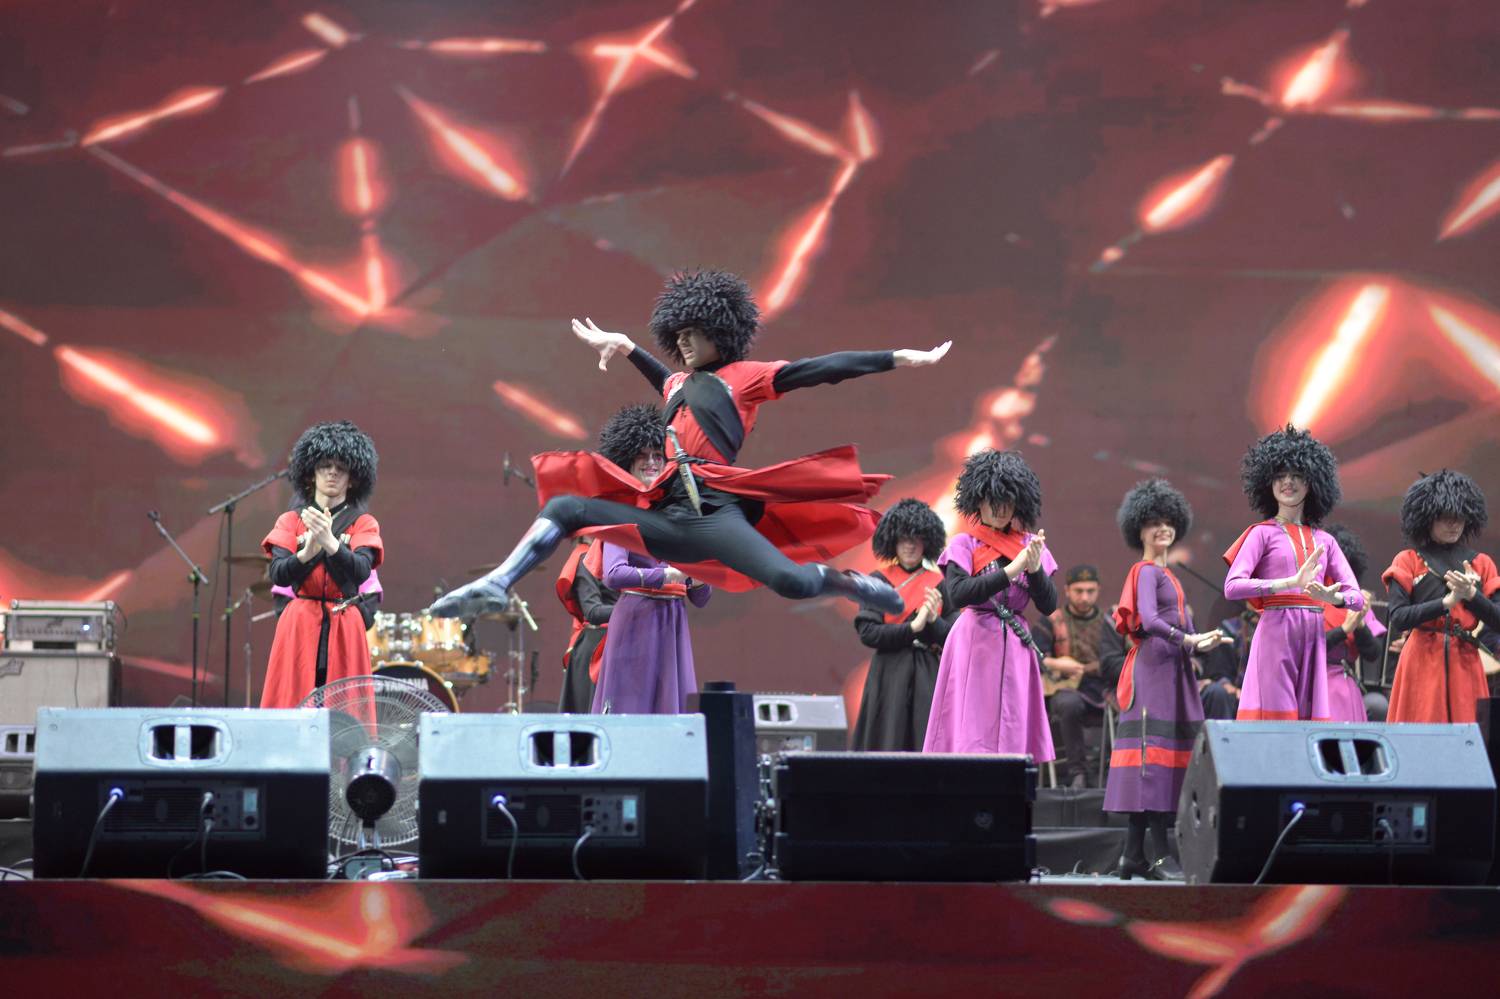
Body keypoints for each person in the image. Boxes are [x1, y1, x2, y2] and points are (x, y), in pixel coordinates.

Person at [430, 270, 950, 621]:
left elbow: (821, 369)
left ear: (720, 332)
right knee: (566, 507)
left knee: (791, 583)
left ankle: (850, 585)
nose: (681, 341)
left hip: (715, 515)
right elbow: (666, 379)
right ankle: (497, 584)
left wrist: (897, 358)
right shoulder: (678, 383)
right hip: (669, 517)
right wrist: (626, 346)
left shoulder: (745, 378)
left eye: (692, 332)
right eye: (676, 334)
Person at [1105, 478, 1221, 880]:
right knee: (1152, 763)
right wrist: (1188, 639)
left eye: (1168, 522)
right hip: (1154, 670)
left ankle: (1131, 857)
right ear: (1138, 530)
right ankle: (1158, 856)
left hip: (1170, 669)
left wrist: (1200, 641)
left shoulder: (1168, 575)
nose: (1163, 529)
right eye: (1154, 522)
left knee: (1160, 761)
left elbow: (1178, 627)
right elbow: (1152, 621)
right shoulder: (1144, 571)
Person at [1222, 425, 1364, 721]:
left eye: (1297, 475)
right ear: (1268, 483)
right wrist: (1288, 583)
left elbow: (1357, 598)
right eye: (1280, 475)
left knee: (1307, 725)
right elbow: (1232, 586)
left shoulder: (1326, 541)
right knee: (1276, 722)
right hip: (1276, 633)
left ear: (1311, 483)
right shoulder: (1261, 534)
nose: (1287, 481)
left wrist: (1333, 598)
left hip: (1313, 636)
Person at [923, 450, 1057, 760]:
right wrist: (1011, 571)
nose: (1000, 509)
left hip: (1016, 646)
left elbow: (1049, 605)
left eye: (1007, 501)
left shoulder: (1029, 545)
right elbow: (959, 594)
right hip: (974, 641)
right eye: (993, 500)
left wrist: (1035, 569)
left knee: (1013, 729)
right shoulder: (964, 543)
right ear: (978, 501)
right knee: (971, 731)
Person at [588, 405, 712, 714]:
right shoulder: (620, 511)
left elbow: (701, 598)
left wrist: (699, 577)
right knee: (632, 711)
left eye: (658, 455)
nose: (652, 462)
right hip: (636, 621)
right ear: (626, 461)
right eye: (642, 455)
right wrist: (670, 575)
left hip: (673, 621)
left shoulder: (679, 514)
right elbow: (614, 574)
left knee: (672, 715)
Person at [260, 421, 382, 708]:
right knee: (292, 703)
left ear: (352, 479)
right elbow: (278, 574)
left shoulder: (364, 523)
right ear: (311, 474)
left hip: (345, 625)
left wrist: (330, 543)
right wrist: (306, 554)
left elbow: (362, 571)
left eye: (341, 467)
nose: (332, 472)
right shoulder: (290, 521)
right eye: (325, 465)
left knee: (345, 712)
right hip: (300, 623)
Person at [1383, 470, 1500, 723]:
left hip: (1465, 663)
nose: (1454, 524)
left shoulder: (1482, 564)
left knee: (1466, 737)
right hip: (1420, 662)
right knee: (1419, 735)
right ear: (1428, 517)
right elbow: (1399, 618)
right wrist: (1445, 603)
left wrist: (1472, 595)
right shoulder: (1408, 560)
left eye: (1460, 517)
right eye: (1446, 517)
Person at [851, 498, 954, 751]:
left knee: (926, 743)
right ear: (893, 541)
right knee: (887, 741)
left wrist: (934, 621)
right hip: (888, 674)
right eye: (903, 538)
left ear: (926, 542)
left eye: (916, 538)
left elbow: (954, 637)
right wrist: (912, 628)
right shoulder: (877, 581)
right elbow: (868, 633)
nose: (909, 545)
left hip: (927, 673)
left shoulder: (940, 583)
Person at [1031, 564, 1126, 789]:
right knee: (1069, 703)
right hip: (1066, 689)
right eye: (1079, 591)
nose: (1084, 597)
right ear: (1067, 590)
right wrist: (1057, 663)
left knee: (1130, 702)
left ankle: (1113, 771)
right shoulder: (1051, 620)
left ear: (1098, 590)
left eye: (1090, 591)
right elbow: (1032, 655)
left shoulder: (1110, 621)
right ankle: (1078, 772)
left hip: (1103, 688)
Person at [1322, 524, 1383, 723]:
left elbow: (1373, 654)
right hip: (1312, 682)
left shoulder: (1354, 598)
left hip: (1344, 685)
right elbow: (1304, 647)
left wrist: (1360, 625)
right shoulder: (1308, 597)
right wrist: (1343, 630)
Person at [556, 540, 616, 712]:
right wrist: (632, 607)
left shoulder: (617, 556)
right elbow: (592, 611)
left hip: (619, 644)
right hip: (596, 650)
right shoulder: (585, 558)